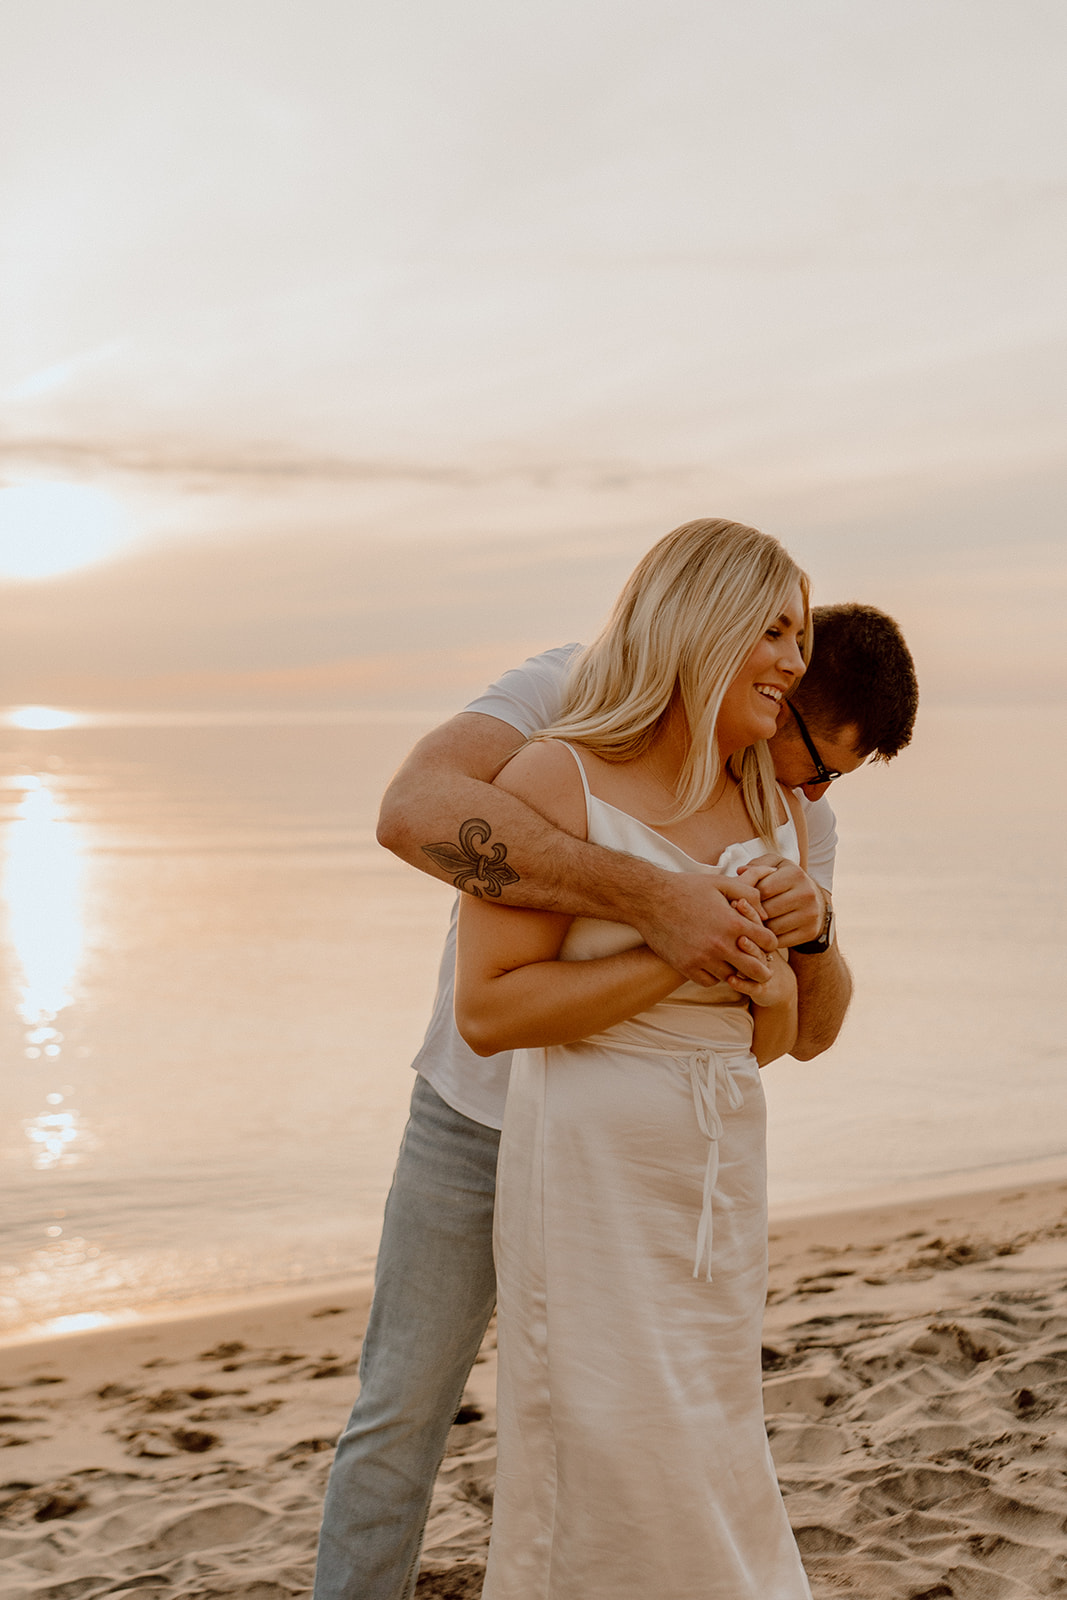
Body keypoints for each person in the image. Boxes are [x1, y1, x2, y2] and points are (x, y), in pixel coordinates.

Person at [312, 536, 918, 1600]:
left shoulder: (785, 814)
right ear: (729, 643)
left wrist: (805, 937)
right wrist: (654, 905)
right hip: (476, 1115)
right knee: (405, 1413)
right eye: (820, 753)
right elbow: (410, 814)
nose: (819, 786)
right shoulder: (565, 697)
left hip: (666, 1171)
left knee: (662, 1430)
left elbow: (795, 1033)